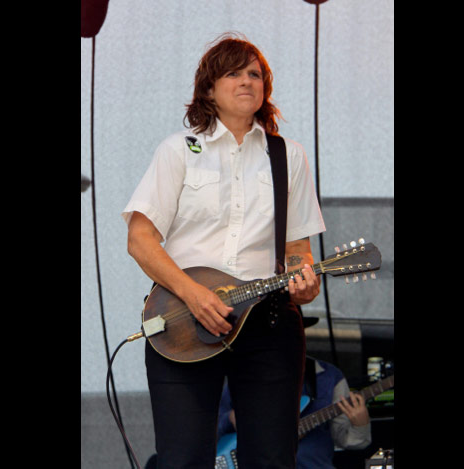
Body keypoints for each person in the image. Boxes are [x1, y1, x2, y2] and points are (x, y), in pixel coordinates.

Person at [122, 32, 326, 468]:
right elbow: (140, 240)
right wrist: (193, 294)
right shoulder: (179, 150)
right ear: (209, 88)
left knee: (272, 459)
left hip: (268, 321)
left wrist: (304, 281)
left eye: (255, 73)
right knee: (182, 460)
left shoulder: (288, 155)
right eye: (234, 72)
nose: (247, 81)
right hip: (182, 321)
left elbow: (297, 250)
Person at [217, 324, 372, 469]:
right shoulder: (241, 374)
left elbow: (347, 441)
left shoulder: (329, 377)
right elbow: (206, 428)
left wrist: (360, 424)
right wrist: (231, 417)